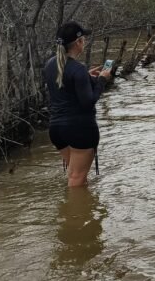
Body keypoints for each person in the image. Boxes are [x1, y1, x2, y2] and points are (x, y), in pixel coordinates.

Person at [43, 22, 113, 187]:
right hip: (80, 129)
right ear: (79, 42)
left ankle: (80, 211)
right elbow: (88, 103)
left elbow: (63, 88)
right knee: (76, 178)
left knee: (76, 175)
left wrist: (86, 79)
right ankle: (73, 213)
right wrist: (102, 80)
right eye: (84, 39)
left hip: (57, 130)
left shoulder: (50, 64)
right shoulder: (77, 69)